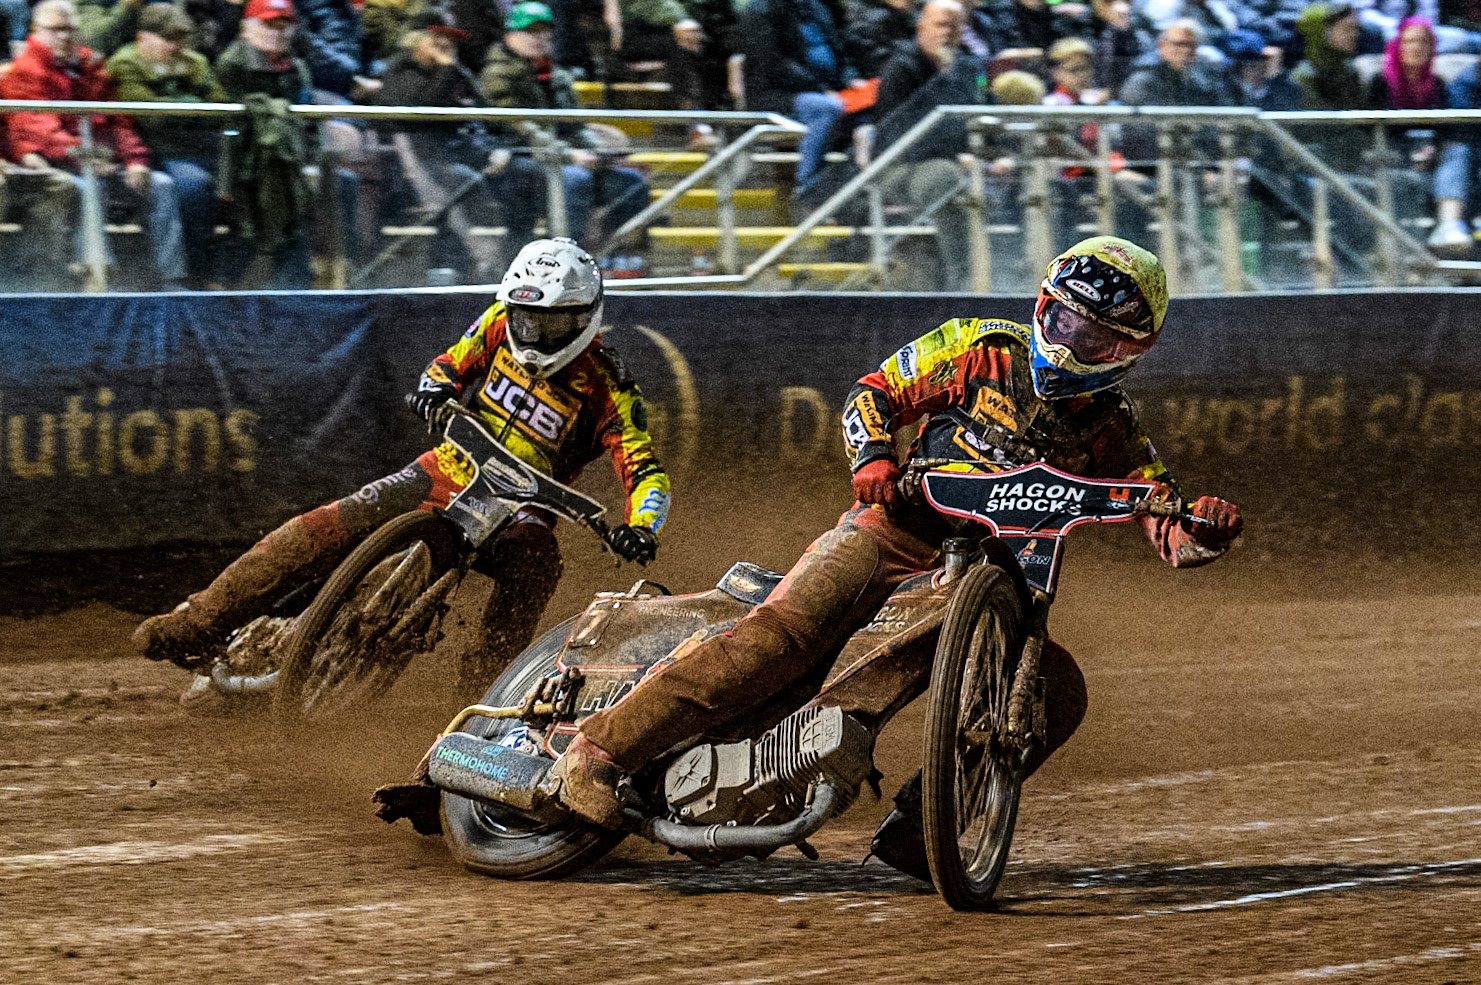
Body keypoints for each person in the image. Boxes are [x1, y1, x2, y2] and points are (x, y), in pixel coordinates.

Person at [544, 236, 1243, 878]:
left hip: (993, 577)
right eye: (1063, 322)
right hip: (890, 532)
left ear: (1130, 348)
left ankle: (921, 824)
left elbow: (1163, 523)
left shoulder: (1114, 427)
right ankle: (596, 752)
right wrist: (874, 456)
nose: (1069, 344)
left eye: (1092, 337)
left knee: (1059, 694)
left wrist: (1202, 532)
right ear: (1041, 307)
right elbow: (873, 394)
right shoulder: (978, 346)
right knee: (779, 638)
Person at [133, 237, 673, 700]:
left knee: (536, 564)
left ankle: (483, 695)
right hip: (447, 466)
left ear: (582, 318)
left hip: (522, 506)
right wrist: (434, 390)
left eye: (548, 323)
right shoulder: (496, 324)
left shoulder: (611, 386)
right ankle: (199, 623)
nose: (530, 335)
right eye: (523, 317)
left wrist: (641, 526)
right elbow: (446, 365)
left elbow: (645, 470)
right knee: (327, 523)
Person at [1, 0, 189, 289]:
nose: (64, 36)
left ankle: (173, 281)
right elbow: (38, 130)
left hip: (103, 160)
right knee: (89, 187)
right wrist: (87, 156)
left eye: (69, 29)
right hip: (60, 162)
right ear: (36, 31)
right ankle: (98, 276)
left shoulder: (91, 66)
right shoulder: (26, 70)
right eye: (55, 30)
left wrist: (135, 160)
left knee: (161, 185)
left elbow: (119, 122)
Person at [479, 2, 652, 251]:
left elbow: (575, 125)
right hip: (518, 161)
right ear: (510, 36)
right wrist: (569, 155)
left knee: (630, 182)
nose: (538, 38)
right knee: (574, 179)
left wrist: (596, 151)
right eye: (530, 31)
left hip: (558, 158)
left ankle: (611, 254)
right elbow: (519, 130)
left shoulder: (556, 74)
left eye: (543, 31)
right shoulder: (497, 73)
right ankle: (564, 256)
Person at [106, 3, 230, 289]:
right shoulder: (126, 63)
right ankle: (194, 276)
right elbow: (149, 115)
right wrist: (195, 106)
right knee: (195, 185)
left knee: (246, 180)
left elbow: (223, 108)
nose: (177, 46)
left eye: (181, 38)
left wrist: (184, 109)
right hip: (157, 151)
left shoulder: (196, 61)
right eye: (168, 38)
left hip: (201, 148)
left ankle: (227, 275)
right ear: (143, 37)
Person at [873, 0, 980, 290]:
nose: (947, 33)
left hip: (953, 161)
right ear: (921, 28)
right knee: (942, 178)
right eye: (941, 24)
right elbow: (900, 139)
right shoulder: (901, 68)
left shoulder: (967, 69)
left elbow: (978, 121)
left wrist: (993, 156)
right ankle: (964, 281)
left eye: (955, 26)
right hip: (897, 168)